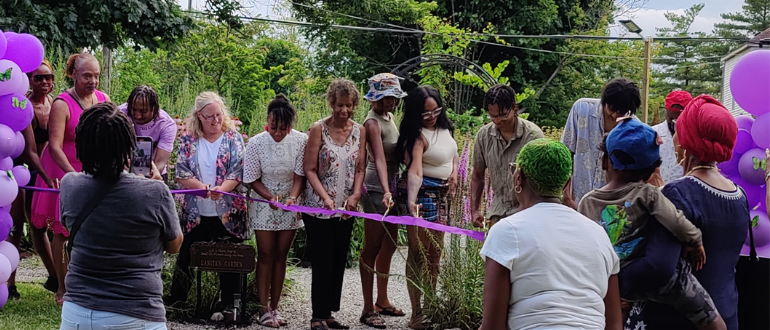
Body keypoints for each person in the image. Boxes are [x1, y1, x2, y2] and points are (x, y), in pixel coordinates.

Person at [578, 118, 726, 330]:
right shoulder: (647, 193)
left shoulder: (587, 202)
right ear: (650, 172)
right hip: (656, 282)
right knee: (713, 320)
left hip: (612, 282)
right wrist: (694, 240)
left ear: (604, 161)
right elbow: (675, 220)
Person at [623, 95, 748, 330]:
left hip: (678, 320)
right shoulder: (739, 195)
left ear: (686, 139)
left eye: (679, 129)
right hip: (728, 315)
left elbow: (659, 267)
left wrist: (617, 278)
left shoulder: (677, 193)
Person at [57, 102, 182, 330]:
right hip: (137, 312)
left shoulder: (69, 185)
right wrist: (155, 186)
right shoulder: (155, 192)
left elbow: (69, 226)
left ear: (82, 143)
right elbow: (174, 245)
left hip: (78, 312)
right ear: (128, 145)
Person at [479, 138, 622, 330]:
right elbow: (614, 324)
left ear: (518, 178)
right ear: (567, 184)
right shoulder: (598, 234)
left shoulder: (507, 231)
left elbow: (493, 326)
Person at [31, 52, 110, 304]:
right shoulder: (62, 104)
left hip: (91, 172)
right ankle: (63, 288)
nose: (93, 81)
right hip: (61, 172)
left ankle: (87, 283)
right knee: (62, 231)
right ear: (73, 74)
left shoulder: (103, 100)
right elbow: (54, 147)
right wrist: (73, 177)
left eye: (96, 75)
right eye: (87, 75)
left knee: (91, 229)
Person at [167, 91, 248, 309]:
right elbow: (181, 173)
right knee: (186, 256)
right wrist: (201, 188)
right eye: (209, 116)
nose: (215, 120)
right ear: (198, 116)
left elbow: (238, 169)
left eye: (218, 115)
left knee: (229, 258)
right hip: (196, 212)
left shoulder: (233, 138)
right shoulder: (188, 139)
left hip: (228, 212)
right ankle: (178, 304)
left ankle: (231, 307)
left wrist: (223, 189)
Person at [303, 78, 367, 330]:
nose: (344, 111)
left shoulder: (359, 131)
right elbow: (309, 169)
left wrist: (355, 194)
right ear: (332, 103)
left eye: (349, 105)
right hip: (319, 207)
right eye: (340, 105)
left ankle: (329, 313)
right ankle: (317, 316)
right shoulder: (318, 128)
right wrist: (325, 198)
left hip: (345, 209)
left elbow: (361, 168)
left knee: (339, 258)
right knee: (322, 258)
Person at [395, 86, 459, 330]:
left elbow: (452, 152)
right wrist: (412, 201)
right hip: (422, 194)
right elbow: (415, 171)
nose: (432, 116)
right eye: (425, 113)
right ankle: (417, 313)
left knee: (435, 255)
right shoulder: (416, 137)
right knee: (418, 254)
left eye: (435, 110)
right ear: (415, 113)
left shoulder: (445, 127)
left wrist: (454, 171)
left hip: (442, 195)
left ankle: (431, 307)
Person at [243, 94, 308, 328]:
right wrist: (270, 196)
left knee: (281, 256)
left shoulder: (301, 141)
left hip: (290, 202)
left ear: (290, 126)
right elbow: (250, 178)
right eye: (273, 127)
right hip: (264, 202)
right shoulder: (256, 142)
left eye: (283, 128)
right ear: (267, 122)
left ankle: (275, 307)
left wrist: (292, 197)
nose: (278, 133)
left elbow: (301, 174)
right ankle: (263, 308)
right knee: (266, 255)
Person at [5, 61, 57, 300]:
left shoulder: (55, 103)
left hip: (43, 170)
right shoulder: (24, 106)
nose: (45, 82)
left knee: (40, 225)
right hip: (19, 168)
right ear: (29, 80)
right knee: (15, 227)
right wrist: (48, 178)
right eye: (39, 78)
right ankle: (10, 283)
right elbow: (33, 152)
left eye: (49, 77)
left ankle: (54, 277)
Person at [359, 73, 408, 329]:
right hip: (378, 187)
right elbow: (378, 158)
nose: (392, 102)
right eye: (387, 97)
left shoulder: (390, 118)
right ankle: (368, 307)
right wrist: (386, 190)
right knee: (372, 246)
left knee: (390, 243)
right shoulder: (372, 122)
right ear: (376, 97)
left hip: (393, 184)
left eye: (394, 97)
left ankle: (383, 299)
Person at [470, 84, 544, 229]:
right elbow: (477, 175)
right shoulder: (484, 136)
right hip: (498, 213)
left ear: (514, 108)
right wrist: (474, 210)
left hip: (527, 214)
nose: (498, 121)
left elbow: (541, 182)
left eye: (503, 115)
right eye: (493, 116)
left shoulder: (533, 136)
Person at [560, 78, 641, 204]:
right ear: (605, 101)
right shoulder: (581, 109)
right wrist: (565, 195)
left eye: (621, 112)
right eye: (612, 110)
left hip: (608, 208)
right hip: (574, 201)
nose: (615, 116)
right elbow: (564, 154)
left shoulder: (634, 129)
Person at [118, 85, 178, 181]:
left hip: (154, 174)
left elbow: (160, 162)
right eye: (133, 109)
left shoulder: (167, 125)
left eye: (143, 111)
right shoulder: (120, 114)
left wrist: (145, 182)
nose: (137, 115)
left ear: (154, 108)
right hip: (124, 173)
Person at [651, 89, 691, 184]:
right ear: (667, 111)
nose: (676, 123)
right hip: (659, 190)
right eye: (672, 119)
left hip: (685, 192)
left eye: (680, 119)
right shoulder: (653, 133)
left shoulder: (695, 136)